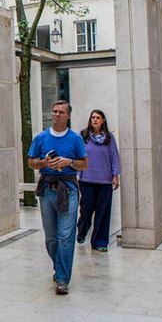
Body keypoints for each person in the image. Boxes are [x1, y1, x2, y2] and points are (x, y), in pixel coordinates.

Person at [27, 100, 88, 295]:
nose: (56, 115)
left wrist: (68, 161)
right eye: (54, 111)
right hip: (47, 190)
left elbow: (84, 164)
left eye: (61, 112)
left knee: (65, 236)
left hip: (68, 189)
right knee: (51, 238)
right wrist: (44, 162)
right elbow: (31, 163)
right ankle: (59, 267)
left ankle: (62, 278)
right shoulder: (41, 137)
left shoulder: (76, 139)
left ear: (68, 115)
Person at [75, 109, 121, 252]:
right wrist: (76, 174)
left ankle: (99, 242)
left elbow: (114, 157)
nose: (95, 120)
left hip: (105, 181)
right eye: (93, 117)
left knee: (103, 212)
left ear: (103, 121)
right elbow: (77, 156)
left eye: (98, 118)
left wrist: (115, 175)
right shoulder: (82, 136)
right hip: (86, 180)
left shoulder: (109, 138)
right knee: (86, 209)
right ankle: (82, 231)